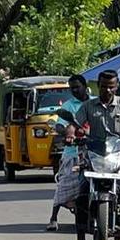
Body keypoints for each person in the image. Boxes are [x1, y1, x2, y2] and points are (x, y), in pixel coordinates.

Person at [66, 70, 120, 232]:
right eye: (104, 86)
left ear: (117, 86)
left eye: (111, 87)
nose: (107, 90)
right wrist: (70, 134)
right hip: (94, 151)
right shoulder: (88, 106)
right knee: (79, 186)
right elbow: (74, 123)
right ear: (98, 86)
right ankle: (80, 236)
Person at [47, 74, 91, 231]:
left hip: (96, 151)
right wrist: (67, 134)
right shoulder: (68, 106)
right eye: (71, 88)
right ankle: (53, 217)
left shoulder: (96, 103)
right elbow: (61, 125)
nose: (74, 90)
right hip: (74, 152)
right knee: (64, 184)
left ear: (85, 86)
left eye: (77, 87)